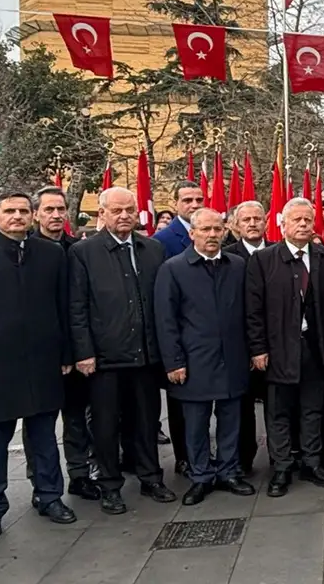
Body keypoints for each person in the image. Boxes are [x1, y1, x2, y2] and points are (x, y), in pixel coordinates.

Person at [69, 187, 176, 514]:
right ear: (102, 213)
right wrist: (84, 352)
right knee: (104, 425)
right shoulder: (84, 252)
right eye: (116, 211)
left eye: (130, 209)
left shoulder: (153, 249)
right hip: (105, 357)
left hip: (145, 355)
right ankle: (110, 485)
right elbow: (77, 306)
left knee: (146, 420)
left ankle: (150, 477)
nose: (125, 215)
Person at [0, 192, 78, 539]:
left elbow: (65, 306)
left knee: (44, 438)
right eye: (10, 211)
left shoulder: (51, 254)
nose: (17, 217)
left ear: (32, 215)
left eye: (24, 211)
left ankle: (50, 496)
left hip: (43, 361)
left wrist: (67, 352)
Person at [154, 208, 256, 506]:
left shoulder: (236, 265)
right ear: (192, 233)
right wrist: (173, 362)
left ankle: (228, 471)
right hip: (193, 361)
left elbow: (249, 312)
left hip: (233, 358)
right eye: (205, 230)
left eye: (217, 229)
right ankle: (200, 476)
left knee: (230, 420)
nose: (212, 235)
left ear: (226, 232)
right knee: (196, 424)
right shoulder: (173, 268)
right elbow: (166, 320)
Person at [246, 197, 324, 498]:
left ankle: (312, 462)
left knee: (313, 408)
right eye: (296, 220)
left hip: (316, 349)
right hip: (277, 350)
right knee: (279, 412)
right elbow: (253, 309)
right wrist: (258, 348)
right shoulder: (264, 260)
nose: (302, 224)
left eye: (307, 220)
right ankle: (282, 466)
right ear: (282, 224)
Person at [30, 186, 97, 502]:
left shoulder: (77, 250)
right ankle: (39, 480)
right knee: (37, 420)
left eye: (60, 209)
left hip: (75, 349)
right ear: (36, 214)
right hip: (38, 353)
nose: (56, 215)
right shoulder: (26, 250)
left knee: (75, 416)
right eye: (48, 210)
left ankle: (79, 474)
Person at [152, 180, 205, 475]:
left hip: (207, 332)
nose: (194, 204)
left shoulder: (212, 231)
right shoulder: (164, 240)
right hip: (181, 334)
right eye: (187, 199)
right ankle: (184, 456)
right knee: (180, 402)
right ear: (175, 203)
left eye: (199, 198)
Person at [224, 201, 268, 475]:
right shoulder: (227, 256)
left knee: (278, 406)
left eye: (257, 218)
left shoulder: (279, 251)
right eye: (246, 220)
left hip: (276, 345)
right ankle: (243, 460)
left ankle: (283, 456)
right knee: (242, 408)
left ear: (266, 222)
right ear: (236, 225)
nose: (252, 224)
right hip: (239, 347)